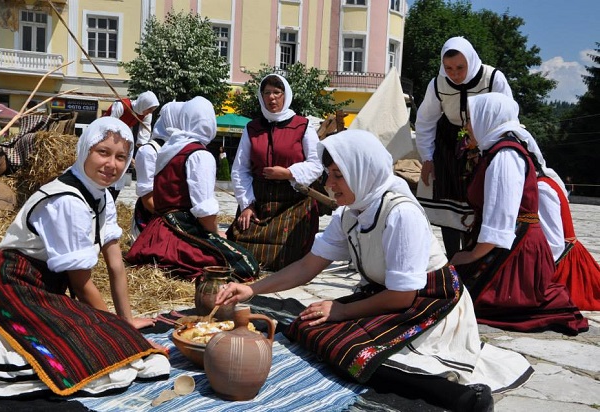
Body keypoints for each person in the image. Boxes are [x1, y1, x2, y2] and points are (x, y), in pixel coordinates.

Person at [217, 129, 534, 412]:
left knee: (354, 350)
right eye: (328, 174)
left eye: (338, 175)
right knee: (307, 327)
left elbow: (403, 296)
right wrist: (252, 289)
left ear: (361, 172)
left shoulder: (401, 213)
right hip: (388, 295)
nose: (328, 184)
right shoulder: (350, 214)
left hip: (432, 302)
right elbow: (307, 266)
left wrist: (342, 310)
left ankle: (457, 397)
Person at [0, 117, 169, 397]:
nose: (111, 164)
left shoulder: (101, 196)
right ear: (85, 150)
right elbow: (81, 285)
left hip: (47, 286)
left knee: (108, 341)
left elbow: (116, 265)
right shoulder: (67, 201)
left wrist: (125, 322)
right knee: (78, 350)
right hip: (14, 284)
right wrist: (120, 333)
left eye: (120, 157)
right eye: (102, 152)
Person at [450, 92, 588, 334]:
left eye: (471, 119)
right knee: (449, 289)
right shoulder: (496, 151)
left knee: (460, 300)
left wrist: (471, 256)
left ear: (487, 118)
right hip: (510, 247)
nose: (467, 127)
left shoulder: (506, 156)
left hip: (517, 251)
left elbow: (500, 222)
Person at [125, 97, 259, 281]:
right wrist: (215, 235)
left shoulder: (170, 149)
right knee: (247, 264)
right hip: (182, 229)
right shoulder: (199, 155)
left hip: (157, 231)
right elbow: (204, 210)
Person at [415, 36, 513, 259]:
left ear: (470, 60)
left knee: (479, 198)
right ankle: (454, 258)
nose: (455, 74)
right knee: (448, 200)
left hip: (484, 141)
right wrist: (427, 158)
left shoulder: (493, 78)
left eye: (460, 67)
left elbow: (506, 113)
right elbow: (425, 121)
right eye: (448, 68)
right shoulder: (437, 83)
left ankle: (477, 257)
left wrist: (492, 149)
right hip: (449, 143)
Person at [227, 73, 323, 271]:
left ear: (285, 95)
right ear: (261, 96)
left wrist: (289, 173)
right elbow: (240, 168)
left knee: (287, 257)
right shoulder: (252, 128)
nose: (272, 98)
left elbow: (317, 163)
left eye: (277, 92)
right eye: (267, 93)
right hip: (259, 200)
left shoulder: (303, 126)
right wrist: (246, 205)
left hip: (293, 201)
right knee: (238, 248)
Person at [538, 173, 600, 310]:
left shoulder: (541, 187)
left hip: (564, 259)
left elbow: (554, 240)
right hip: (569, 252)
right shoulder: (548, 182)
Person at [130, 101, 185, 242]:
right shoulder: (148, 151)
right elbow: (148, 199)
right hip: (155, 219)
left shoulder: (183, 149)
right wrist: (175, 223)